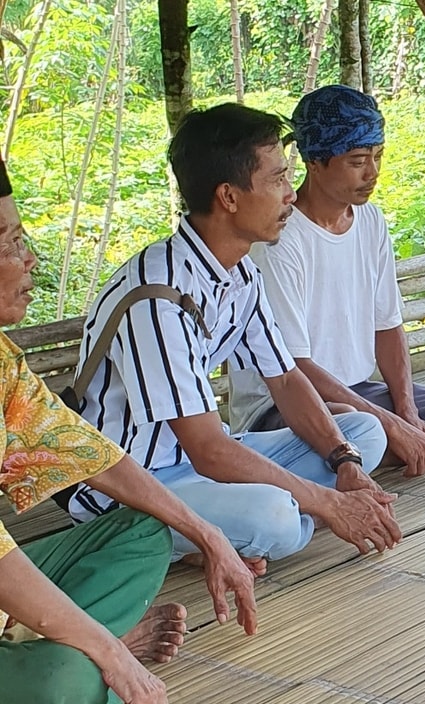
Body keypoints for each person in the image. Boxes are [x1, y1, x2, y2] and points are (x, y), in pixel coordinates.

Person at [64, 103, 403, 567]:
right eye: (278, 180)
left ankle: (232, 532)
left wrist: (345, 463)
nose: (290, 195)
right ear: (228, 196)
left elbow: (284, 379)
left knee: (362, 433)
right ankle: (215, 535)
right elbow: (207, 451)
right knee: (277, 519)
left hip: (206, 461)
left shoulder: (240, 273)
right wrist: (327, 503)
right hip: (134, 482)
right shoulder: (157, 295)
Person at [0, 156, 257, 704]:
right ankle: (83, 654)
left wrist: (208, 536)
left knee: (144, 531)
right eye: (10, 244)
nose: (30, 260)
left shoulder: (2, 362)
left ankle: (59, 646)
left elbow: (93, 456)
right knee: (64, 683)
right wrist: (110, 651)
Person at [229, 85, 425, 477]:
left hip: (357, 392)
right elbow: (294, 366)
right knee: (359, 426)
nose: (372, 173)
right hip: (283, 406)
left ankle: (378, 454)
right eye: (358, 160)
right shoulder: (281, 241)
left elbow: (387, 326)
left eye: (377, 157)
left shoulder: (370, 221)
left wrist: (406, 411)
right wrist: (389, 422)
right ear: (315, 162)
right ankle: (371, 450)